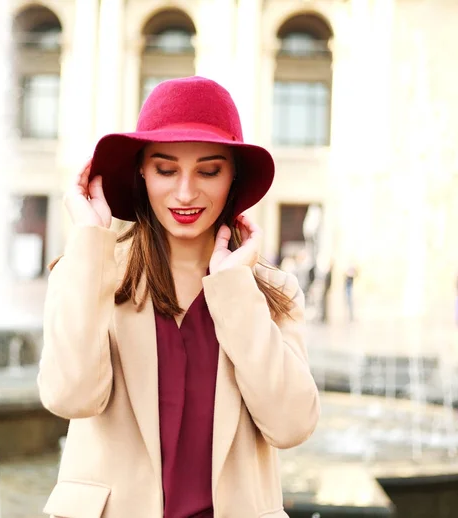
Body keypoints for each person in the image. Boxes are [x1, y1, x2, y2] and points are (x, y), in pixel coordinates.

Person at [38, 76, 320, 518]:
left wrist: (234, 292)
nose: (186, 193)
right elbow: (70, 397)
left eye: (209, 170)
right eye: (166, 169)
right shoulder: (90, 273)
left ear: (233, 178)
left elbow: (291, 425)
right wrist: (91, 239)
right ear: (141, 174)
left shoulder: (272, 291)